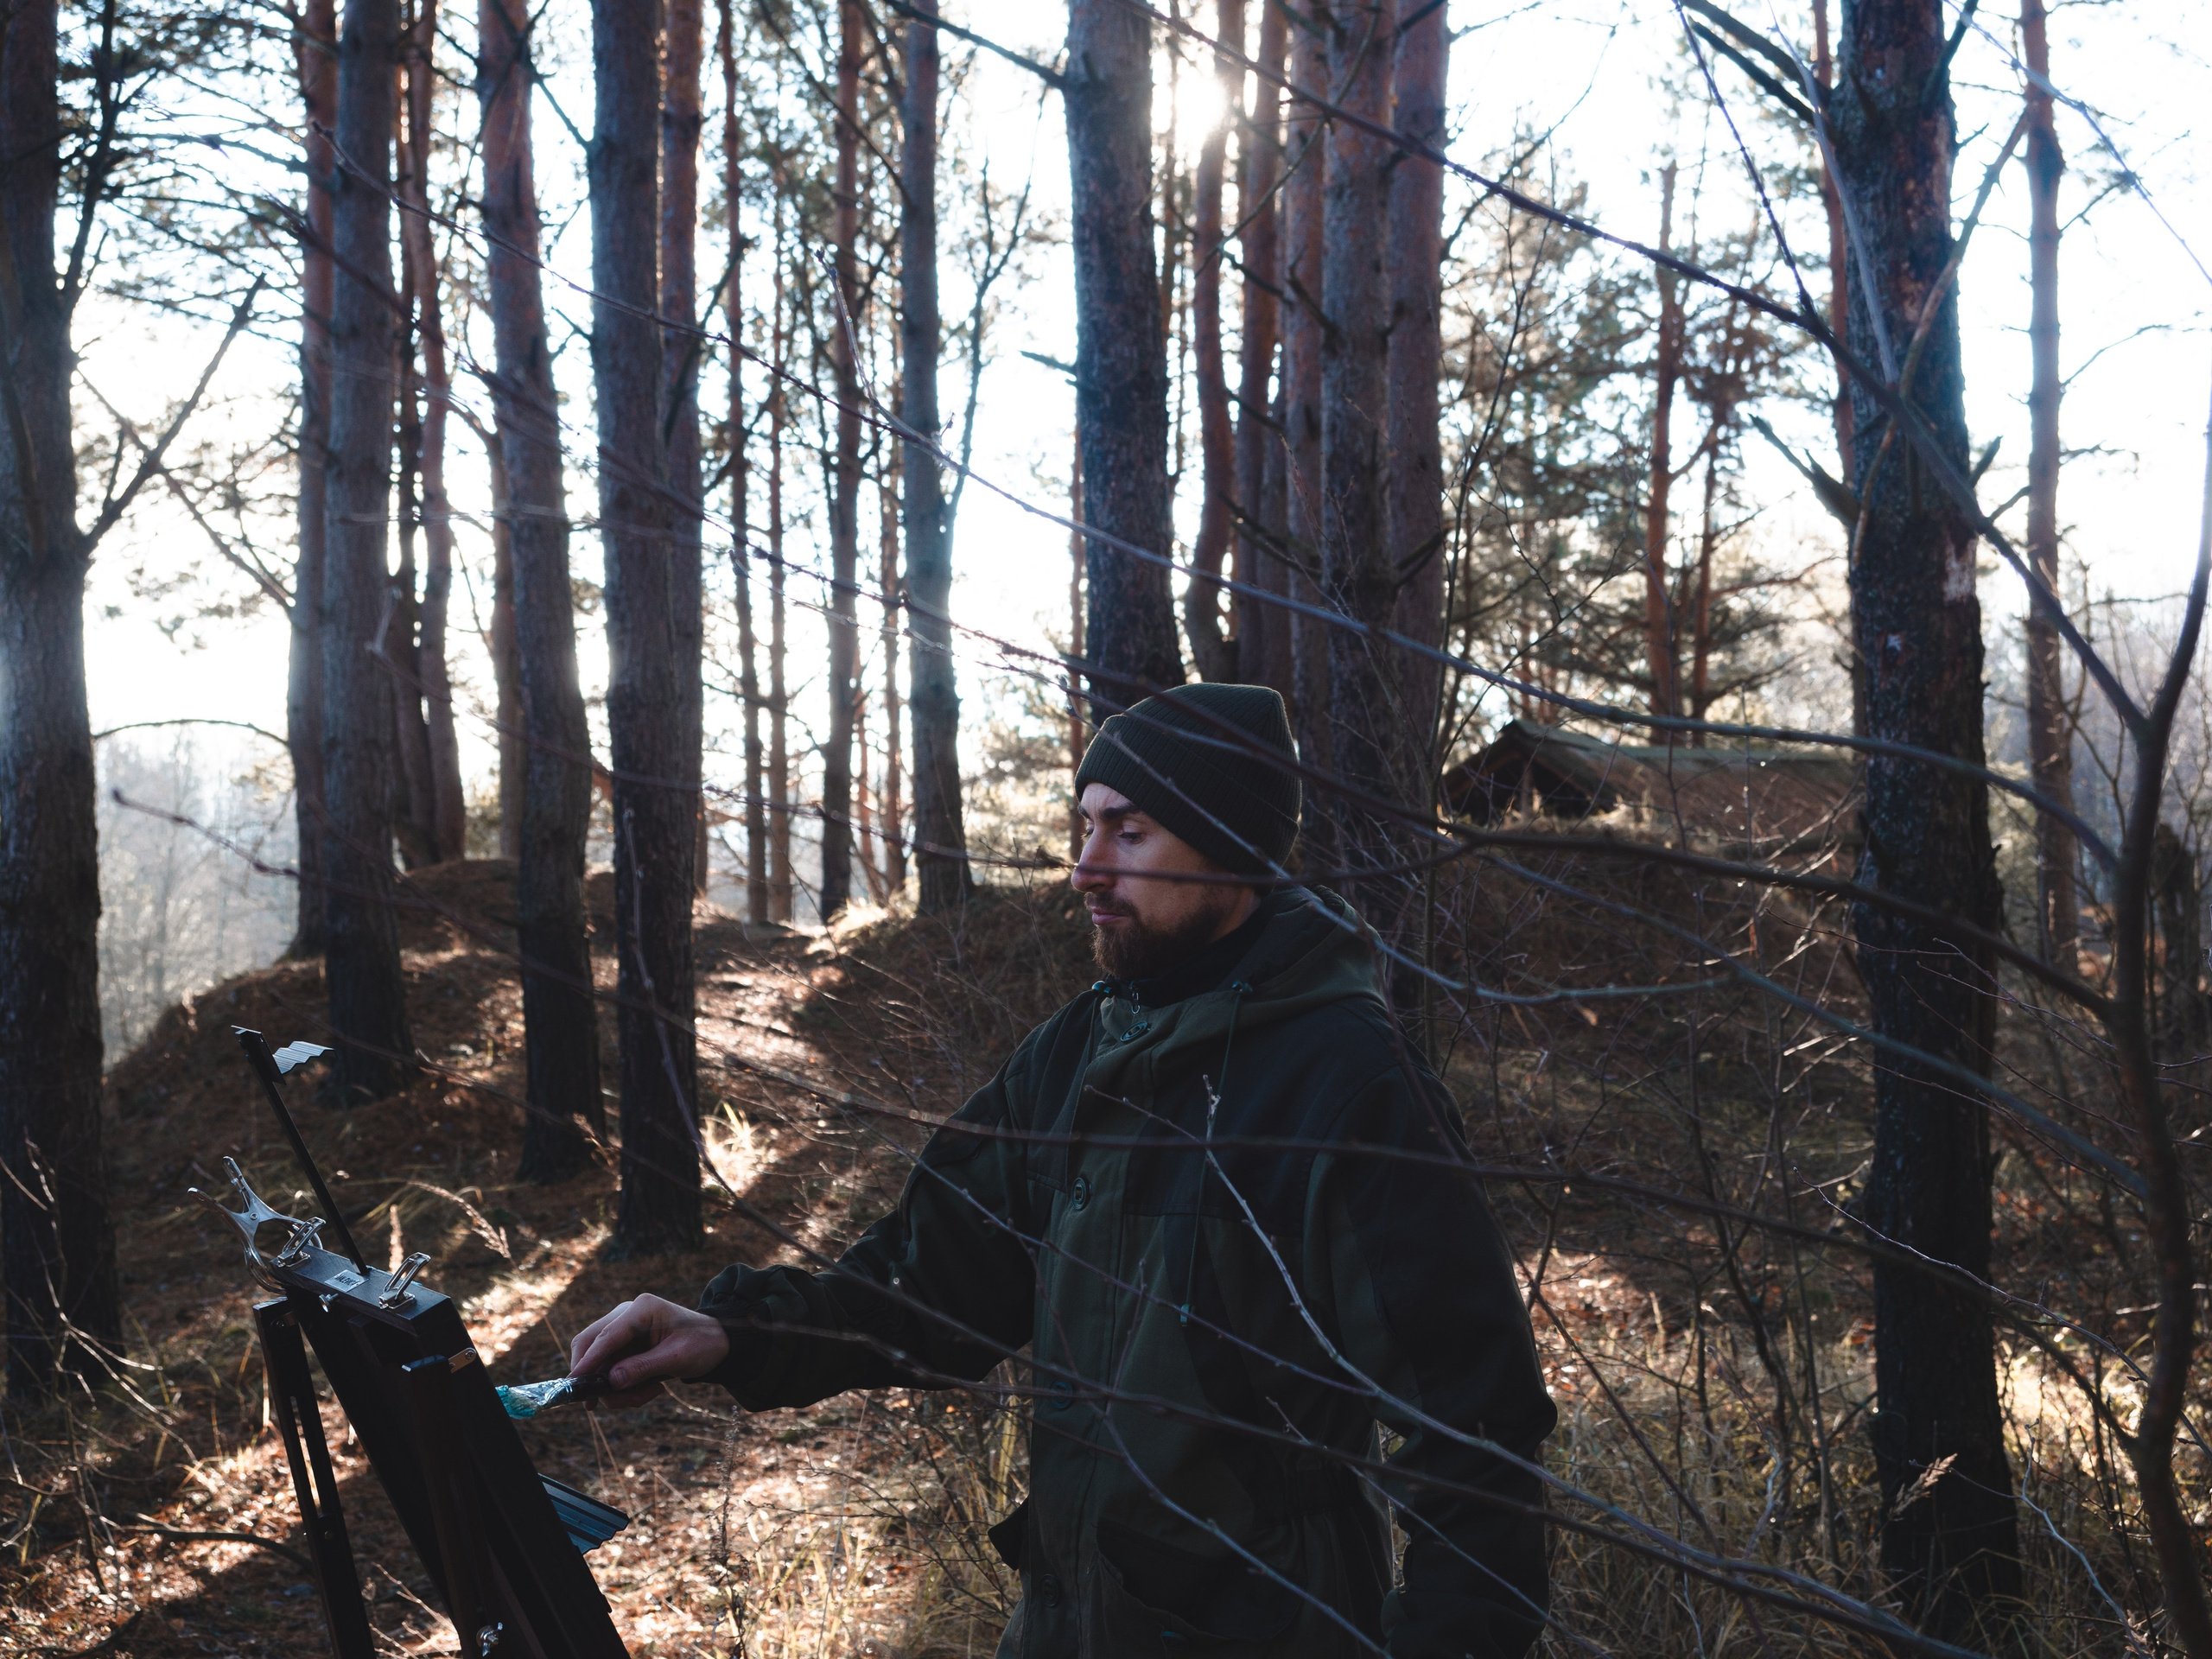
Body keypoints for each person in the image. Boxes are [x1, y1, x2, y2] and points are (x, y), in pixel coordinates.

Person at [569, 683, 1557, 1657]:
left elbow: (1472, 1443)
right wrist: (730, 1332)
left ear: (1234, 846)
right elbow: (932, 1284)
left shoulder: (1346, 1084)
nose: (1086, 869)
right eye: (1083, 827)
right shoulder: (1080, 1053)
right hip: (1069, 1625)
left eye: (1128, 833)